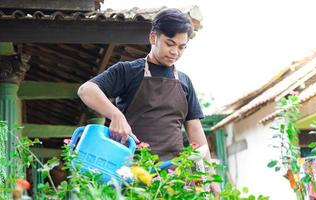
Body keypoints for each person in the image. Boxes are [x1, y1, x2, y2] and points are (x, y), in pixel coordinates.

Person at [78, 8, 219, 194]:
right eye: (170, 44)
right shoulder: (128, 71)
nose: (175, 51)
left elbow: (195, 132)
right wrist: (115, 114)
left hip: (174, 177)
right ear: (153, 38)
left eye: (181, 46)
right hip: (132, 174)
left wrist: (210, 177)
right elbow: (86, 90)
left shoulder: (184, 82)